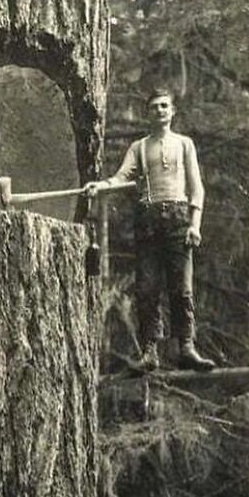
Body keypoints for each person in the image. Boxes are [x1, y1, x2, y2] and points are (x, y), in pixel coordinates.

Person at [86, 86, 215, 372]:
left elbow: (197, 189)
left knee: (181, 289)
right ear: (147, 112)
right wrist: (100, 186)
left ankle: (186, 347)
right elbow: (120, 178)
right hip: (148, 223)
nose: (159, 111)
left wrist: (195, 225)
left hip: (178, 220)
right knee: (147, 289)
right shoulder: (139, 148)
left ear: (172, 111)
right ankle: (150, 352)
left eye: (164, 106)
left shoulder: (184, 144)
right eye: (154, 106)